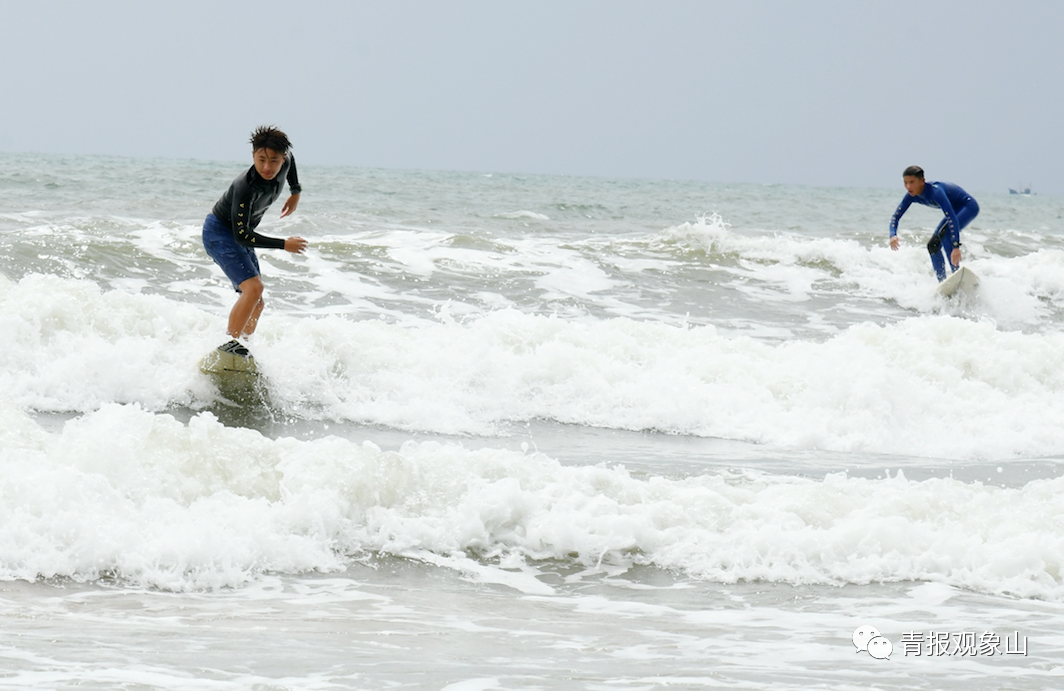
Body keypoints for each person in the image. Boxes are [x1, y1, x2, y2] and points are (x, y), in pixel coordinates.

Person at [202, 126, 308, 357]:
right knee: (254, 288)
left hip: (241, 233)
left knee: (256, 301)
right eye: (261, 160)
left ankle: (243, 350)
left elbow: (292, 161)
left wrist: (295, 191)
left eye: (274, 160)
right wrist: (284, 244)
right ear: (253, 156)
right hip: (220, 233)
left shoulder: (285, 162)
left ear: (282, 158)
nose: (267, 167)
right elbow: (241, 236)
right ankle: (228, 347)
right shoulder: (245, 188)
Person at [888, 165, 979, 281]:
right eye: (905, 183)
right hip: (955, 211)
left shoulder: (936, 192)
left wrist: (956, 247)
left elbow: (951, 217)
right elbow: (895, 217)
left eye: (912, 182)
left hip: (968, 206)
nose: (908, 186)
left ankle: (957, 275)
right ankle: (942, 281)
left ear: (922, 181)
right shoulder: (911, 196)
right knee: (933, 245)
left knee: (946, 235)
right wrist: (892, 235)